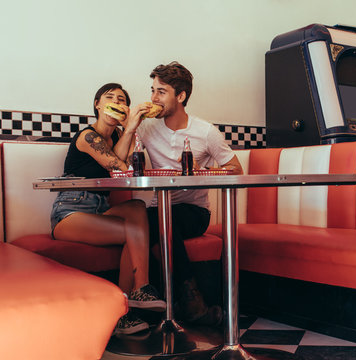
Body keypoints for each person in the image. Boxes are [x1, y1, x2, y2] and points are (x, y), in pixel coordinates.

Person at [50, 83, 165, 335]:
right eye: (109, 97)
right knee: (132, 231)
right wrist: (131, 127)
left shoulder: (114, 138)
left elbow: (123, 164)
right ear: (98, 105)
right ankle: (127, 305)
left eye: (122, 99)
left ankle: (136, 293)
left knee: (137, 208)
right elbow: (119, 168)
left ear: (125, 109)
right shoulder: (88, 136)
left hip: (99, 209)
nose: (116, 101)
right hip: (70, 212)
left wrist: (130, 130)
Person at [136, 61, 243, 325]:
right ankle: (175, 305)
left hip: (194, 212)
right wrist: (130, 125)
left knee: (162, 222)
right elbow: (125, 160)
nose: (153, 98)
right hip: (158, 208)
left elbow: (236, 169)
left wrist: (202, 171)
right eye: (152, 91)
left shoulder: (206, 132)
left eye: (161, 92)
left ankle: (189, 301)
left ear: (180, 96)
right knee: (144, 220)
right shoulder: (147, 128)